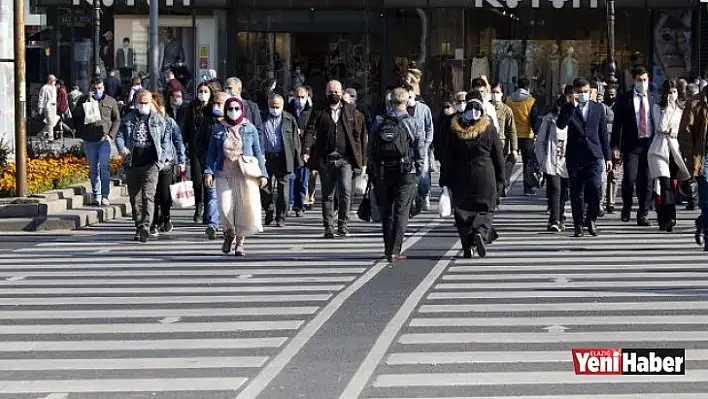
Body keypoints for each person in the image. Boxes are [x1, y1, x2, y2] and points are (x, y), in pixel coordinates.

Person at [439, 91, 505, 258]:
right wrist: (501, 179)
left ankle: (467, 245)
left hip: (460, 176)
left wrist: (444, 180)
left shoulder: (454, 128)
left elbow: (447, 156)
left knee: (462, 211)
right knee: (486, 208)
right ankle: (480, 233)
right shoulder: (488, 128)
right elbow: (498, 156)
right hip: (485, 175)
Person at [302, 80, 368, 238]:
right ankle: (328, 227)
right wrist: (306, 149)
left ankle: (343, 225)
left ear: (342, 92)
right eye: (331, 92)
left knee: (345, 191)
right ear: (326, 93)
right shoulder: (319, 110)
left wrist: (362, 160)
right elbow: (310, 131)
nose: (334, 95)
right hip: (326, 159)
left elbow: (360, 135)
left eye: (337, 92)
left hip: (345, 159)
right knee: (327, 194)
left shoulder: (350, 111)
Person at [204, 97, 268, 256]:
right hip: (224, 173)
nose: (233, 112)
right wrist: (208, 172)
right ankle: (229, 233)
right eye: (230, 109)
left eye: (236, 109)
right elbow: (211, 153)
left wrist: (263, 174)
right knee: (225, 208)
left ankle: (240, 243)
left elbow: (258, 152)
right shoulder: (219, 129)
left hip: (245, 174)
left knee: (243, 209)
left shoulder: (250, 128)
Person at [368, 87, 425, 262]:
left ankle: (387, 249)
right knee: (402, 211)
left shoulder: (379, 121)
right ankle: (395, 249)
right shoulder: (412, 122)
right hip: (406, 171)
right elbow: (420, 148)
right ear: (407, 102)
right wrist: (419, 169)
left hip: (384, 170)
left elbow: (370, 147)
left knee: (387, 211)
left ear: (390, 101)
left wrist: (373, 169)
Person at [556, 77, 612, 238]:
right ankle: (578, 225)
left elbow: (603, 133)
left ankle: (591, 220)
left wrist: (607, 157)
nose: (583, 95)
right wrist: (571, 106)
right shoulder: (569, 108)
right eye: (580, 92)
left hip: (594, 155)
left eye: (586, 92)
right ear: (574, 92)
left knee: (595, 189)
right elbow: (561, 124)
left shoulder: (598, 108)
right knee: (576, 193)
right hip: (575, 157)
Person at [115, 90, 171, 243]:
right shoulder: (128, 118)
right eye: (140, 102)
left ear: (151, 102)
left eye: (146, 102)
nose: (143, 105)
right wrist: (122, 148)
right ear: (135, 103)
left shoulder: (159, 120)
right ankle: (139, 225)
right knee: (135, 198)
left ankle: (146, 226)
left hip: (151, 163)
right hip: (133, 163)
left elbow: (166, 141)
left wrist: (161, 160)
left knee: (148, 195)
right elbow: (119, 136)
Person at [611, 66, 654, 226]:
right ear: (634, 80)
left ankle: (643, 213)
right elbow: (617, 124)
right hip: (631, 145)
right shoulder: (625, 99)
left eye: (645, 80)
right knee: (629, 178)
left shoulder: (652, 97)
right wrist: (615, 146)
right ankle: (627, 206)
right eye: (639, 80)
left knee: (647, 181)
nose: (642, 83)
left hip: (649, 144)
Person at [648, 79, 690, 232]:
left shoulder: (682, 109)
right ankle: (671, 217)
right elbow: (660, 126)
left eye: (674, 92)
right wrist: (667, 108)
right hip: (660, 149)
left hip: (675, 150)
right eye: (669, 92)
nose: (672, 95)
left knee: (671, 186)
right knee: (664, 183)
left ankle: (664, 218)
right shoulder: (657, 108)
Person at [72, 78, 120, 206]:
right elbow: (75, 116)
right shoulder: (84, 99)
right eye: (95, 88)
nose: (97, 90)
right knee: (93, 168)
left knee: (104, 167)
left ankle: (105, 195)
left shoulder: (110, 101)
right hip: (89, 139)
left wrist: (111, 135)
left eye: (100, 88)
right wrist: (80, 132)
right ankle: (96, 195)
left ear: (103, 88)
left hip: (104, 139)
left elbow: (116, 119)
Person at [149, 92, 187, 236]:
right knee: (152, 194)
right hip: (150, 163)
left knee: (164, 194)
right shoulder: (144, 123)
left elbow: (178, 142)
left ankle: (166, 217)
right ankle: (153, 222)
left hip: (166, 163)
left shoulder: (169, 122)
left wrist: (181, 161)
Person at [262, 94, 302, 226]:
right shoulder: (262, 117)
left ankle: (281, 216)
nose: (274, 109)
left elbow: (296, 141)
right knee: (264, 188)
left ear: (282, 106)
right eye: (272, 106)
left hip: (283, 157)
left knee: (283, 191)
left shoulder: (289, 119)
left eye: (277, 107)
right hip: (266, 158)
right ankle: (269, 211)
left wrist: (298, 160)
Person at [535, 94, 570, 232]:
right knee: (555, 189)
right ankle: (554, 219)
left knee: (564, 192)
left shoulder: (573, 119)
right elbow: (540, 142)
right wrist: (542, 160)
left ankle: (560, 216)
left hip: (567, 161)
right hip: (552, 160)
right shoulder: (549, 120)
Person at [679, 86, 708, 250]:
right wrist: (690, 157)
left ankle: (700, 223)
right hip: (703, 158)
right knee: (706, 200)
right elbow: (685, 131)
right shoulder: (695, 102)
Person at [506, 77, 541, 196]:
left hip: (512, 136)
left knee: (509, 161)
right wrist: (537, 133)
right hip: (527, 136)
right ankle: (528, 188)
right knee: (528, 162)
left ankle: (503, 186)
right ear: (527, 87)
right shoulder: (531, 101)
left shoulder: (509, 100)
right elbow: (534, 119)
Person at [285, 85, 314, 216]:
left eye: (302, 97)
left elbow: (313, 131)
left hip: (303, 149)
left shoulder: (311, 111)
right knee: (290, 177)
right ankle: (289, 203)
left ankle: (300, 205)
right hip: (290, 149)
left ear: (307, 96)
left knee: (303, 179)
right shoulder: (287, 110)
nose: (300, 99)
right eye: (298, 97)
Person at [490, 82, 518, 195]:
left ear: (502, 94)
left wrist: (514, 149)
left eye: (497, 92)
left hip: (501, 145)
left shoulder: (507, 110)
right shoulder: (485, 108)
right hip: (488, 145)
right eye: (493, 92)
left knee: (500, 170)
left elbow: (512, 130)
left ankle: (501, 187)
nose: (495, 95)